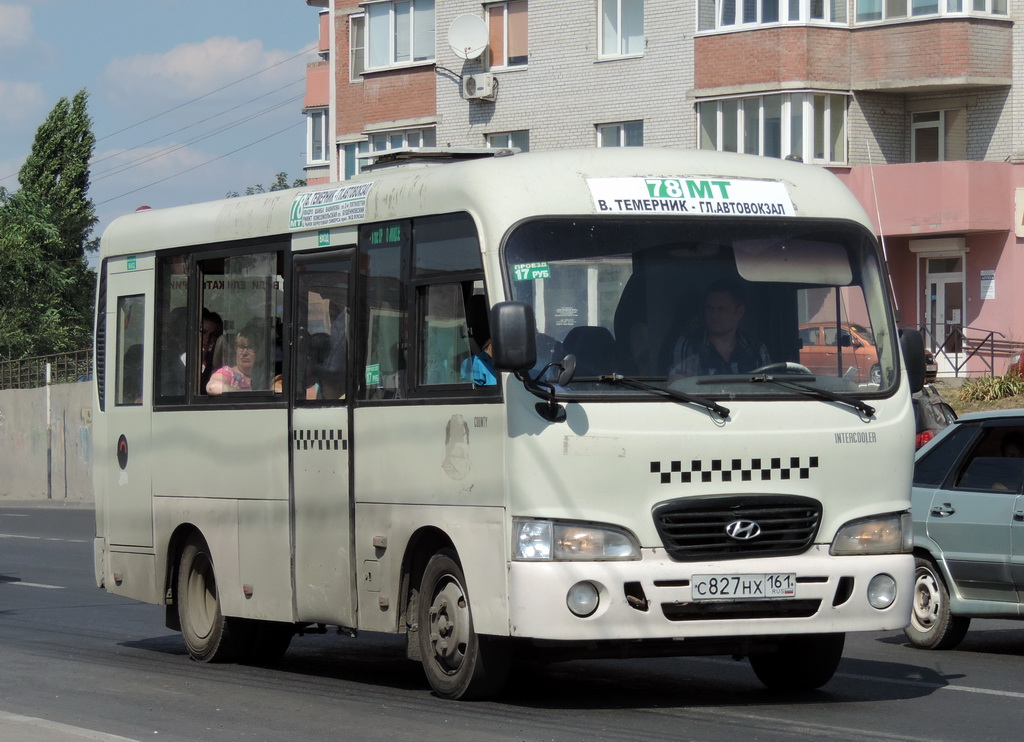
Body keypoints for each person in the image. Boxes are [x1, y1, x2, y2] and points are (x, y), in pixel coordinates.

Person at [669, 279, 770, 377]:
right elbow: (678, 386)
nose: (713, 314)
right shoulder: (689, 344)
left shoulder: (756, 349)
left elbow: (770, 389)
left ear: (739, 312)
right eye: (709, 308)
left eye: (721, 309)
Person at [206, 329, 259, 395]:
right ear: (236, 350)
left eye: (250, 347)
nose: (245, 353)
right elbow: (213, 387)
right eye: (241, 347)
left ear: (257, 352)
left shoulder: (262, 375)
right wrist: (244, 395)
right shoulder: (228, 372)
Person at [199, 309, 223, 391]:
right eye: (203, 332)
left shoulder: (221, 366)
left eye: (213, 335)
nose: (207, 339)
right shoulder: (182, 362)